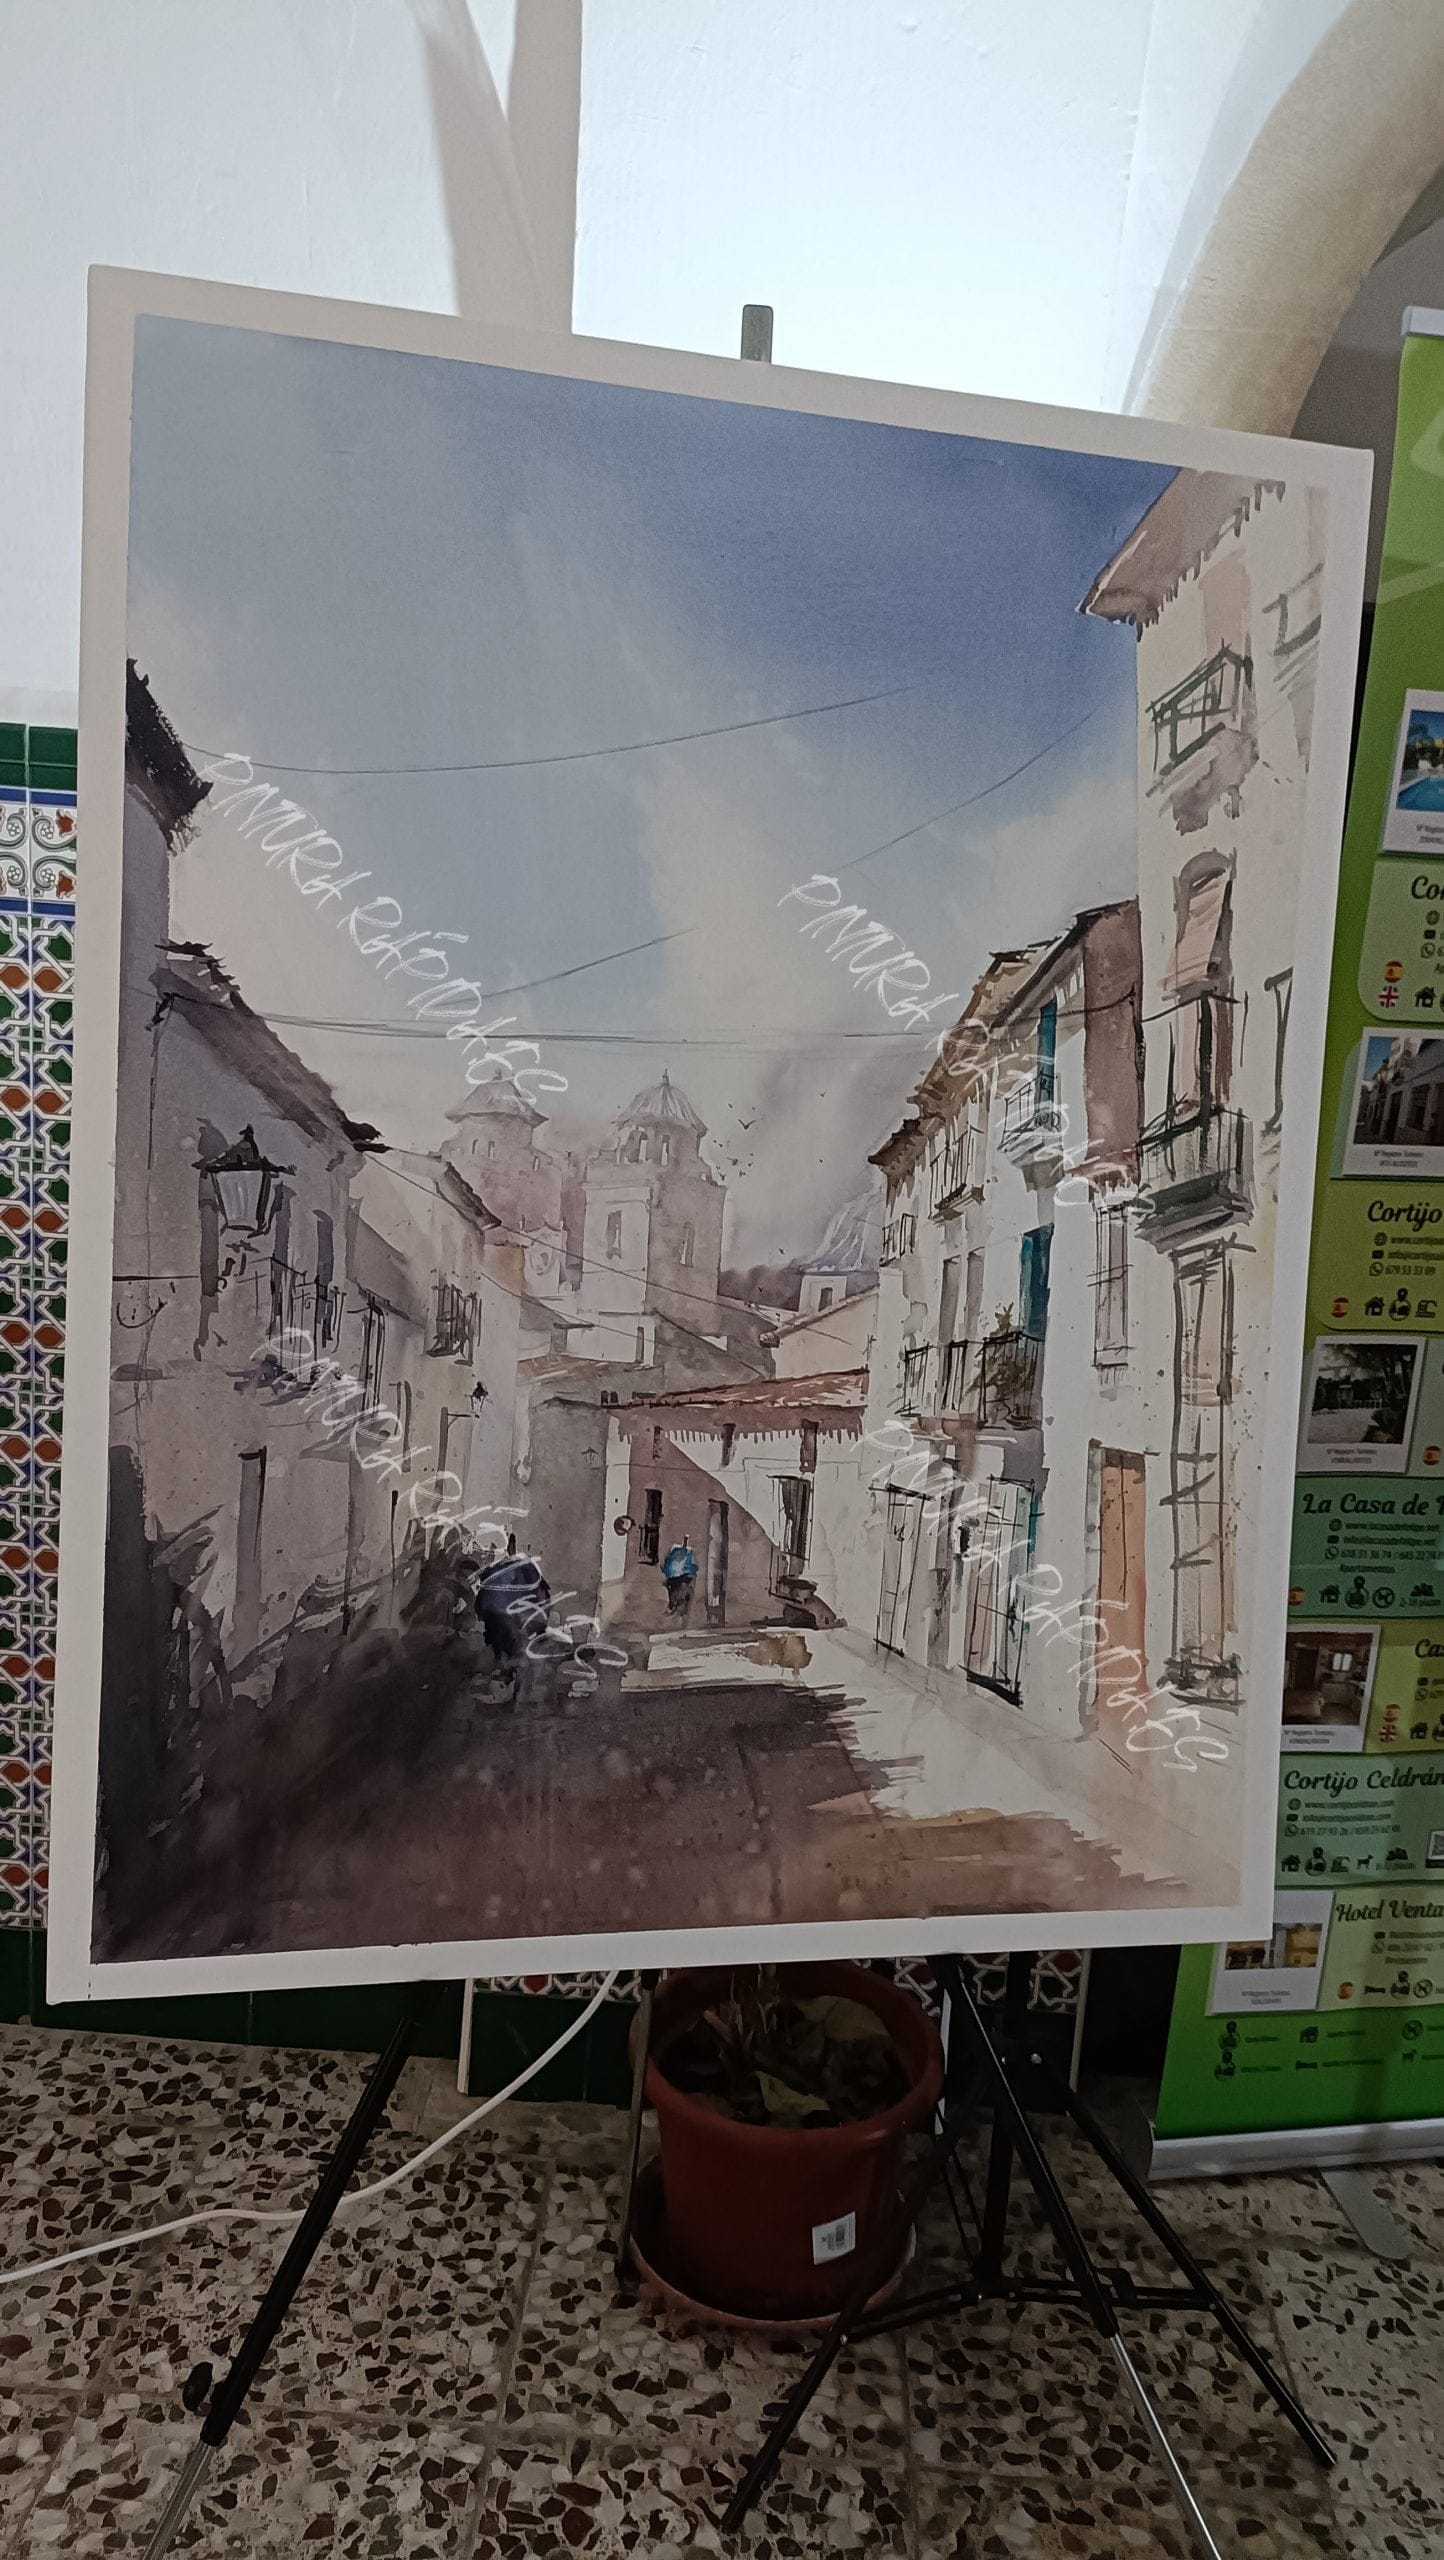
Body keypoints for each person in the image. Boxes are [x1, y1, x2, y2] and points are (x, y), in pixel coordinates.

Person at [661, 1531, 699, 1618]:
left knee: (674, 1588)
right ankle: (673, 1605)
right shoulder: (681, 1553)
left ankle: (673, 1606)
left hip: (679, 1577)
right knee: (673, 1588)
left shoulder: (679, 1553)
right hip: (679, 1577)